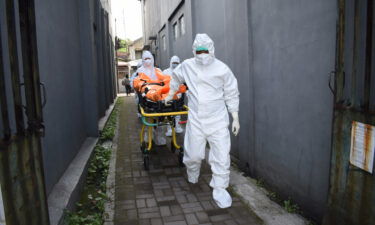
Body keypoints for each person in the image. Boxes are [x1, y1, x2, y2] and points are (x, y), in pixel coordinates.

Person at [164, 34, 240, 208]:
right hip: (196, 119)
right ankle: (192, 173)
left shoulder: (222, 69)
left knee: (221, 156)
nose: (202, 54)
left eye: (205, 50)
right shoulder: (187, 66)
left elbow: (231, 92)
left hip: (218, 120)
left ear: (212, 49)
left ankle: (220, 188)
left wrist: (235, 116)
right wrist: (170, 94)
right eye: (199, 51)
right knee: (194, 154)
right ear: (194, 51)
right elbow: (175, 78)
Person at [135, 51, 169, 146]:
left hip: (158, 97)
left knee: (160, 120)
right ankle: (148, 136)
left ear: (152, 59)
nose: (147, 61)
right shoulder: (140, 71)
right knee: (148, 120)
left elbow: (165, 81)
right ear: (142, 60)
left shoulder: (158, 70)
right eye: (145, 59)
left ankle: (159, 137)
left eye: (149, 58)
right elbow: (136, 83)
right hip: (146, 97)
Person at [163, 56, 184, 136]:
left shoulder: (181, 72)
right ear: (170, 63)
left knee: (178, 112)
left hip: (178, 95)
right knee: (169, 112)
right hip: (169, 95)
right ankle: (169, 129)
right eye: (173, 63)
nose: (175, 64)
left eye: (176, 63)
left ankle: (177, 126)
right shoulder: (165, 72)